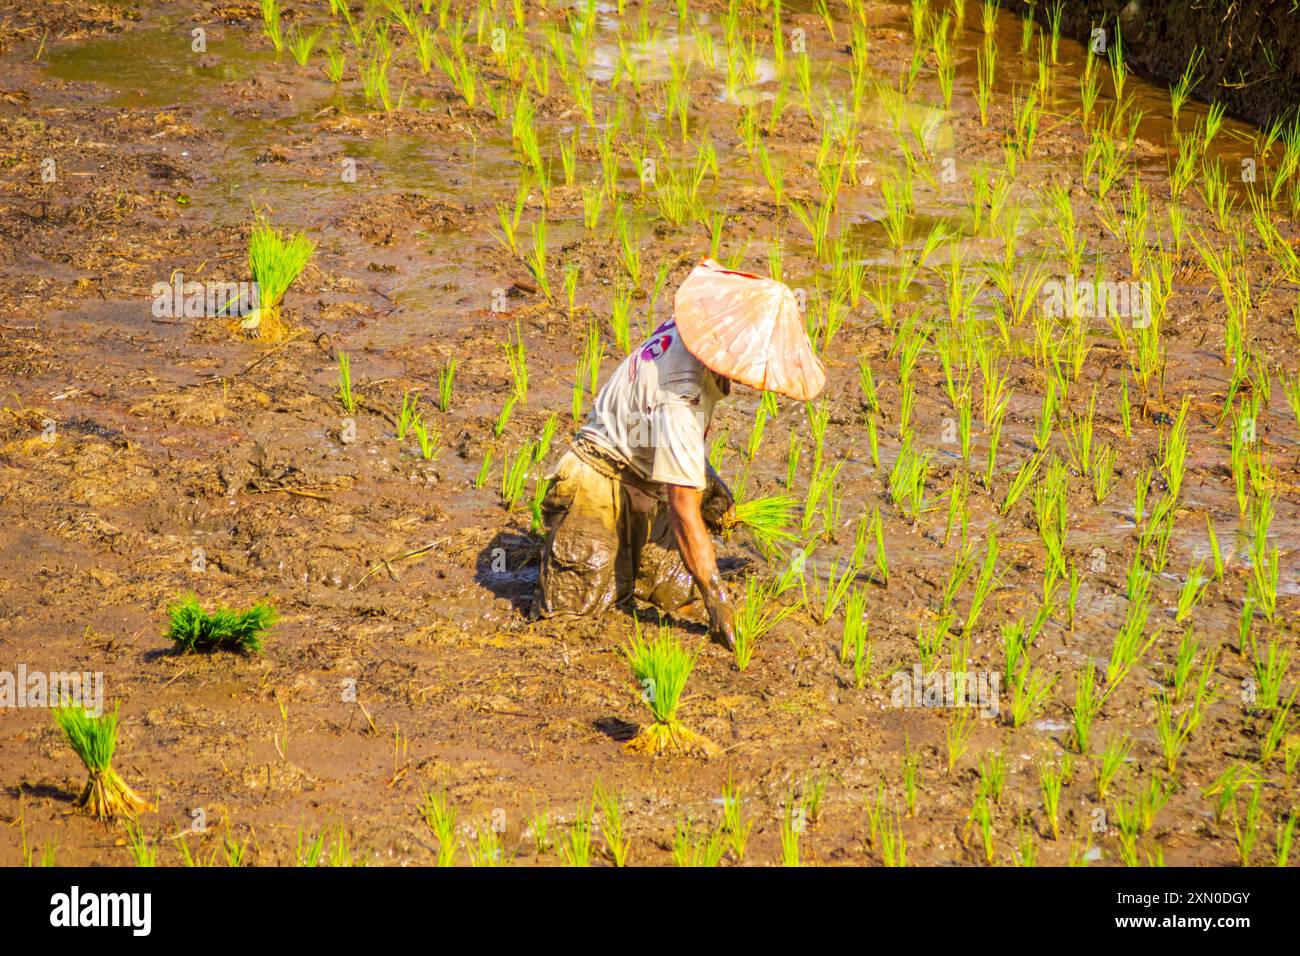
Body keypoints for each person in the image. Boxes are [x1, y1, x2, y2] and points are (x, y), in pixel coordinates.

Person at [532, 259, 826, 650]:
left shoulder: (697, 328)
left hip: (644, 480)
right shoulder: (683, 396)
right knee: (576, 621)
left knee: (674, 592)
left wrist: (706, 479)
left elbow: (661, 432)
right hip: (595, 484)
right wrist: (718, 602)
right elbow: (685, 511)